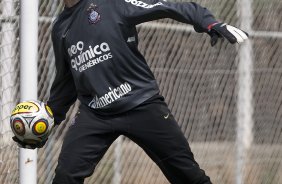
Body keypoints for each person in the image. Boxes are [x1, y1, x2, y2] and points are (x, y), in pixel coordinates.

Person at [13, 0, 248, 183]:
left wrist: (210, 23)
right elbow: (66, 84)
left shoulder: (112, 4)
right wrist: (44, 123)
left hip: (142, 104)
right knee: (65, 175)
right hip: (96, 115)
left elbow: (168, 7)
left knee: (188, 176)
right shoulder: (60, 28)